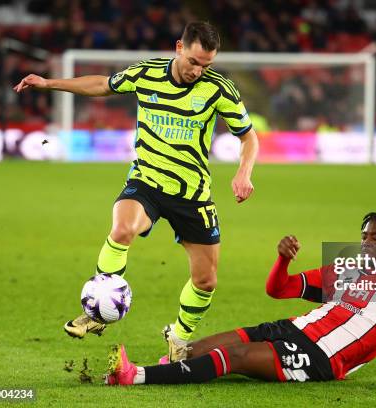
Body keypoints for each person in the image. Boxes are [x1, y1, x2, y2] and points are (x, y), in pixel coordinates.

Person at [13, 22, 259, 362]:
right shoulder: (146, 74)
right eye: (193, 61)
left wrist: (244, 172)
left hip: (192, 195)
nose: (198, 70)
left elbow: (248, 136)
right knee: (122, 228)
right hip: (147, 181)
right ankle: (98, 312)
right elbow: (102, 85)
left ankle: (178, 336)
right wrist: (49, 83)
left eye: (206, 64)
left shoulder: (220, 90)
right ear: (178, 47)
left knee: (206, 281)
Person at [104, 211, 376, 385]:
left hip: (322, 357)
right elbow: (278, 290)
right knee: (197, 347)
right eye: (363, 236)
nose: (365, 242)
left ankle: (136, 377)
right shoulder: (342, 269)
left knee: (236, 357)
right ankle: (170, 369)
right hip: (294, 328)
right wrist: (282, 260)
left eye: (374, 237)